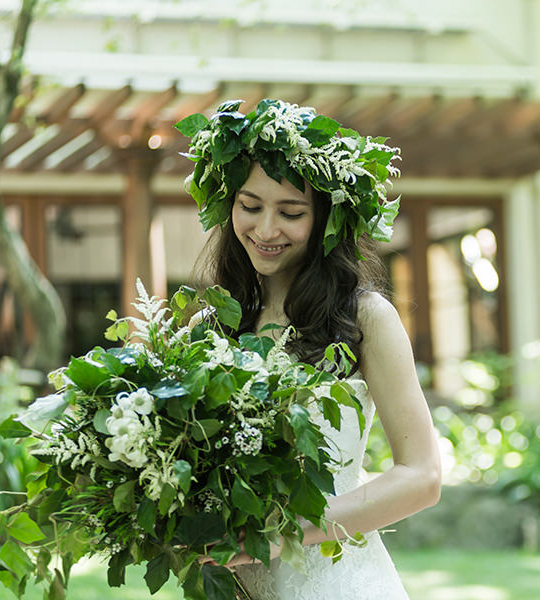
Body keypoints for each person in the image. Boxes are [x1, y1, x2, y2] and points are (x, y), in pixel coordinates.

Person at [178, 99, 441, 599]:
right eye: (250, 207)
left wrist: (282, 535)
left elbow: (423, 476)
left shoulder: (366, 319)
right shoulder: (210, 327)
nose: (266, 229)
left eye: (291, 212)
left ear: (325, 219)